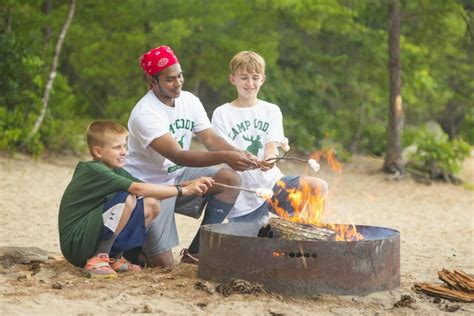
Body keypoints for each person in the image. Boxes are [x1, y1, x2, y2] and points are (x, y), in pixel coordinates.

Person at [124, 45, 259, 267]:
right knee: (164, 266)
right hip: (149, 187)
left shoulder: (189, 100)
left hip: (177, 176)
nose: (178, 83)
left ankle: (197, 252)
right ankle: (129, 250)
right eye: (169, 79)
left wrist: (238, 154)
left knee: (230, 179)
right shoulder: (145, 114)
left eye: (180, 76)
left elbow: (210, 139)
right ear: (152, 81)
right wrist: (227, 156)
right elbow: (178, 155)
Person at [58, 121, 213, 279]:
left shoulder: (116, 170)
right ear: (98, 151)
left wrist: (188, 184)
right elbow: (137, 189)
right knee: (128, 198)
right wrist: (184, 191)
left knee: (151, 204)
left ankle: (114, 257)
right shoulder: (94, 169)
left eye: (125, 146)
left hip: (90, 238)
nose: (124, 152)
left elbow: (146, 186)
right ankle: (98, 258)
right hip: (76, 244)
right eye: (117, 147)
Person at [211, 51, 328, 227]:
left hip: (274, 184)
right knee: (257, 245)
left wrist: (269, 160)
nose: (250, 83)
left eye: (255, 77)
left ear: (262, 80)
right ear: (232, 79)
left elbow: (271, 146)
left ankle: (310, 232)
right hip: (244, 193)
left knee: (319, 186)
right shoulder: (221, 113)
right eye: (243, 77)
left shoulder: (271, 110)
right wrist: (246, 160)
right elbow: (223, 151)